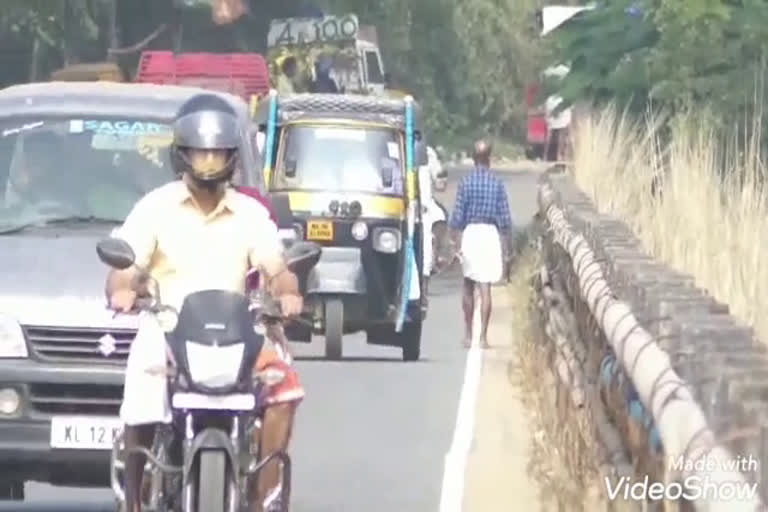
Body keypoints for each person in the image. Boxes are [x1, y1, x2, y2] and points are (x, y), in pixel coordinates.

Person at [106, 93, 303, 512]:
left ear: (231, 157)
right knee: (142, 386)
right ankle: (135, 498)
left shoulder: (250, 213)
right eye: (201, 154)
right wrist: (122, 288)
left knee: (283, 385)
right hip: (168, 329)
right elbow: (125, 265)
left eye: (217, 155)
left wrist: (287, 293)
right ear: (183, 155)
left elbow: (276, 266)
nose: (209, 163)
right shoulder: (155, 207)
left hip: (238, 331)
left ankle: (264, 495)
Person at [448, 140, 514, 349]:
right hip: (489, 233)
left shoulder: (466, 183)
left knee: (468, 284)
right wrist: (508, 248)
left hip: (471, 233)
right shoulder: (497, 184)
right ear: (489, 158)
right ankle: (483, 337)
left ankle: (468, 334)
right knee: (485, 288)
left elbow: (458, 216)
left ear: (474, 158)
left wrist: (454, 242)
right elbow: (505, 218)